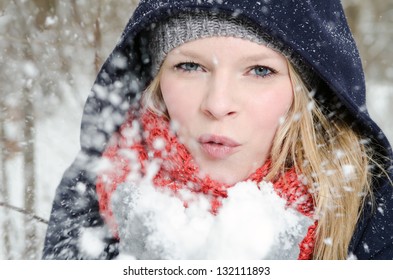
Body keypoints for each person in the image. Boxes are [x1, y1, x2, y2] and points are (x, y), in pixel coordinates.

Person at [42, 0, 393, 260]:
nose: (217, 103)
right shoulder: (95, 188)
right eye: (190, 66)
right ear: (157, 80)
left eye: (259, 71)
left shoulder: (372, 207)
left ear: (308, 92)